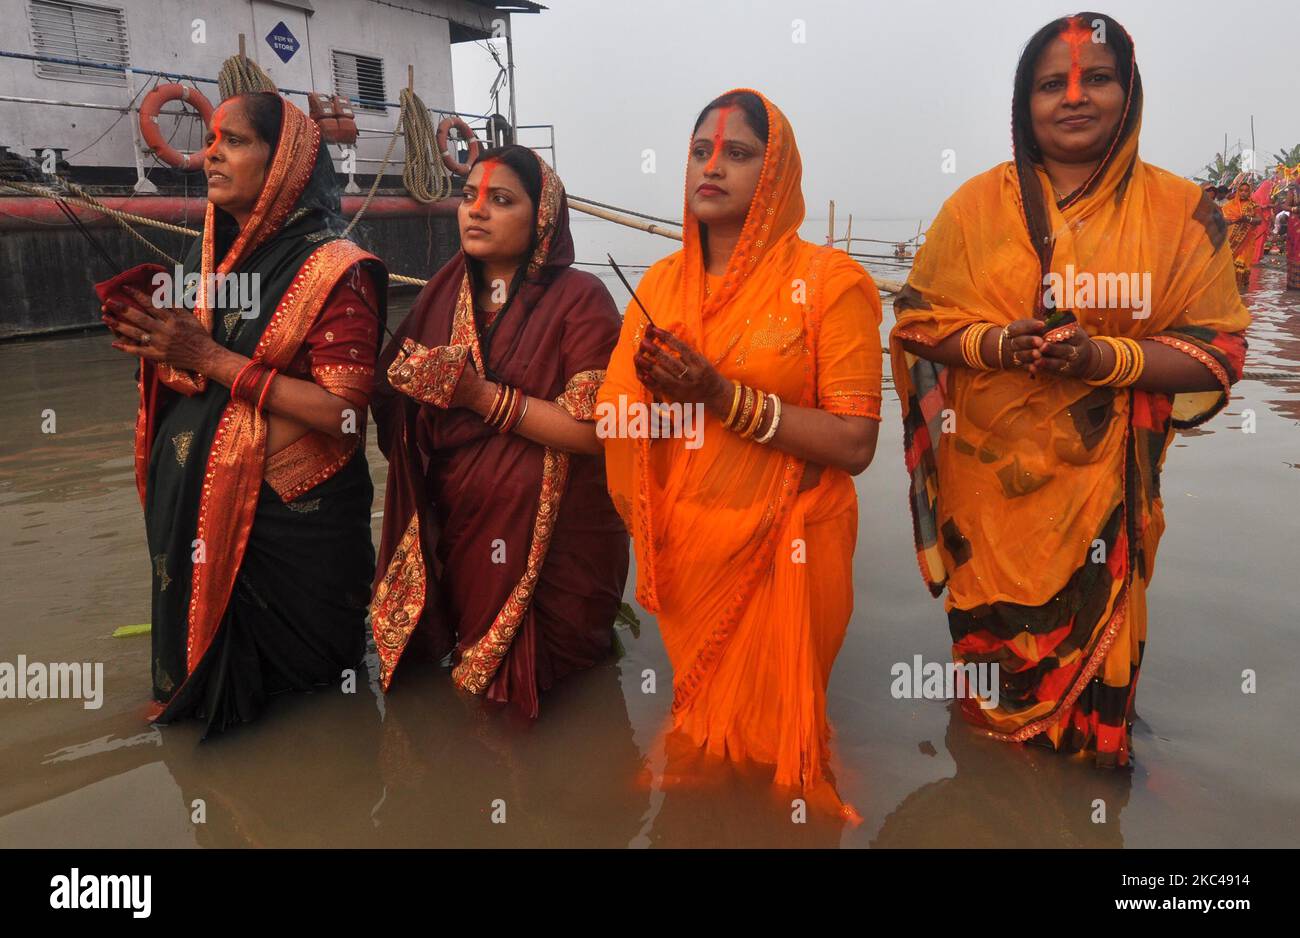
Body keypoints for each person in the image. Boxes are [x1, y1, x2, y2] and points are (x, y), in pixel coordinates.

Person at [890, 12, 1249, 768]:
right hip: (987, 498)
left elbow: (1219, 349)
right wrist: (994, 343)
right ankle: (993, 789)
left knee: (1097, 688)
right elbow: (919, 325)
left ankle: (1087, 779)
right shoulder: (973, 210)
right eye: (1052, 83)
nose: (1074, 97)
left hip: (1106, 494)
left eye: (1099, 78)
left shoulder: (1182, 213)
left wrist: (1105, 360)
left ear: (1131, 93)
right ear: (1025, 103)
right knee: (990, 686)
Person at [598, 89, 883, 814]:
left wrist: (722, 397)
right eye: (701, 151)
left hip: (791, 542)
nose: (713, 166)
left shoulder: (831, 283)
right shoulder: (660, 287)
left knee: (780, 739)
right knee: (705, 732)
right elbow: (618, 416)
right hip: (689, 539)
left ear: (777, 170)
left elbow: (855, 442)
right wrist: (661, 400)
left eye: (738, 152)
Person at [101, 92, 388, 735]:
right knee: (226, 712)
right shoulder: (216, 263)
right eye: (211, 139)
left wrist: (206, 356)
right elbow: (199, 366)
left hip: (293, 525)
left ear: (281, 161)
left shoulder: (339, 271)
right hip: (214, 509)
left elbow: (343, 412)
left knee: (311, 708)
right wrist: (156, 347)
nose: (210, 155)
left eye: (233, 141)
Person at [369, 144, 629, 718]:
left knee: (552, 691)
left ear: (541, 217)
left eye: (501, 200)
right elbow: (390, 394)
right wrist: (414, 384)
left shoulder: (581, 300)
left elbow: (597, 433)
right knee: (471, 681)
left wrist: (477, 397)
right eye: (468, 197)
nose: (476, 211)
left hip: (561, 540)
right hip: (462, 522)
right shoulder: (442, 292)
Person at [1223, 180, 1264, 288]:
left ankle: (1241, 292)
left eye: (1246, 191)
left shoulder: (1254, 206)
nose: (1243, 193)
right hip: (1230, 241)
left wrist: (1247, 219)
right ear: (1237, 191)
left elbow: (1259, 220)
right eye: (1241, 190)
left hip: (1246, 241)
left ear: (1249, 192)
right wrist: (1232, 221)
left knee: (1241, 265)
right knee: (1229, 265)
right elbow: (1225, 220)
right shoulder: (1230, 205)